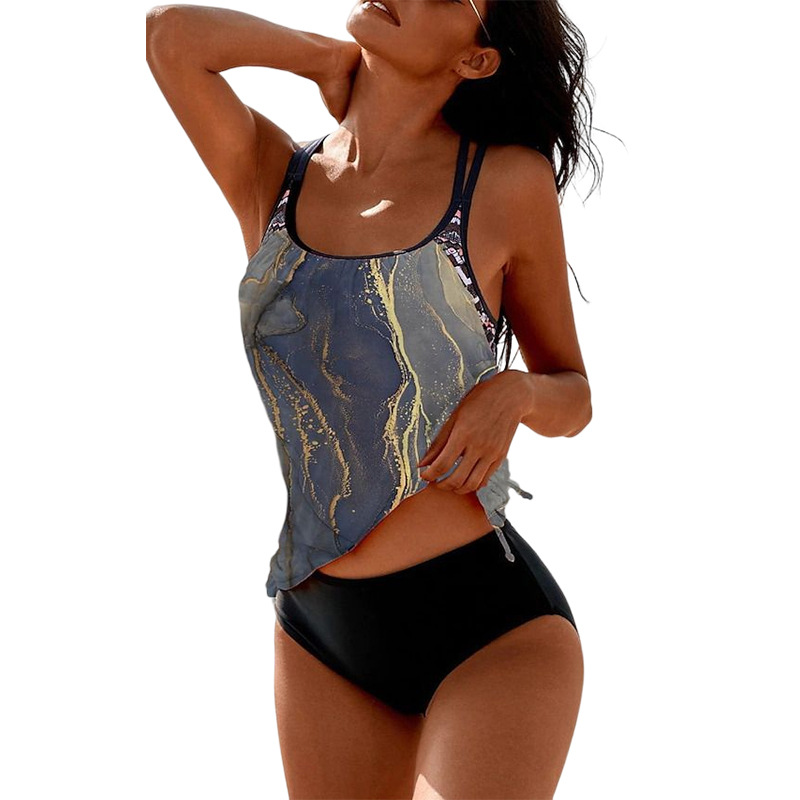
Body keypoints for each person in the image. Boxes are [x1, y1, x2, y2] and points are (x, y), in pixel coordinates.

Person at [146, 1, 601, 797]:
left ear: (476, 60)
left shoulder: (503, 182)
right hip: (321, 634)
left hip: (487, 627)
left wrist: (517, 391)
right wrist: (322, 59)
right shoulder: (276, 178)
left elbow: (574, 395)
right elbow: (170, 37)